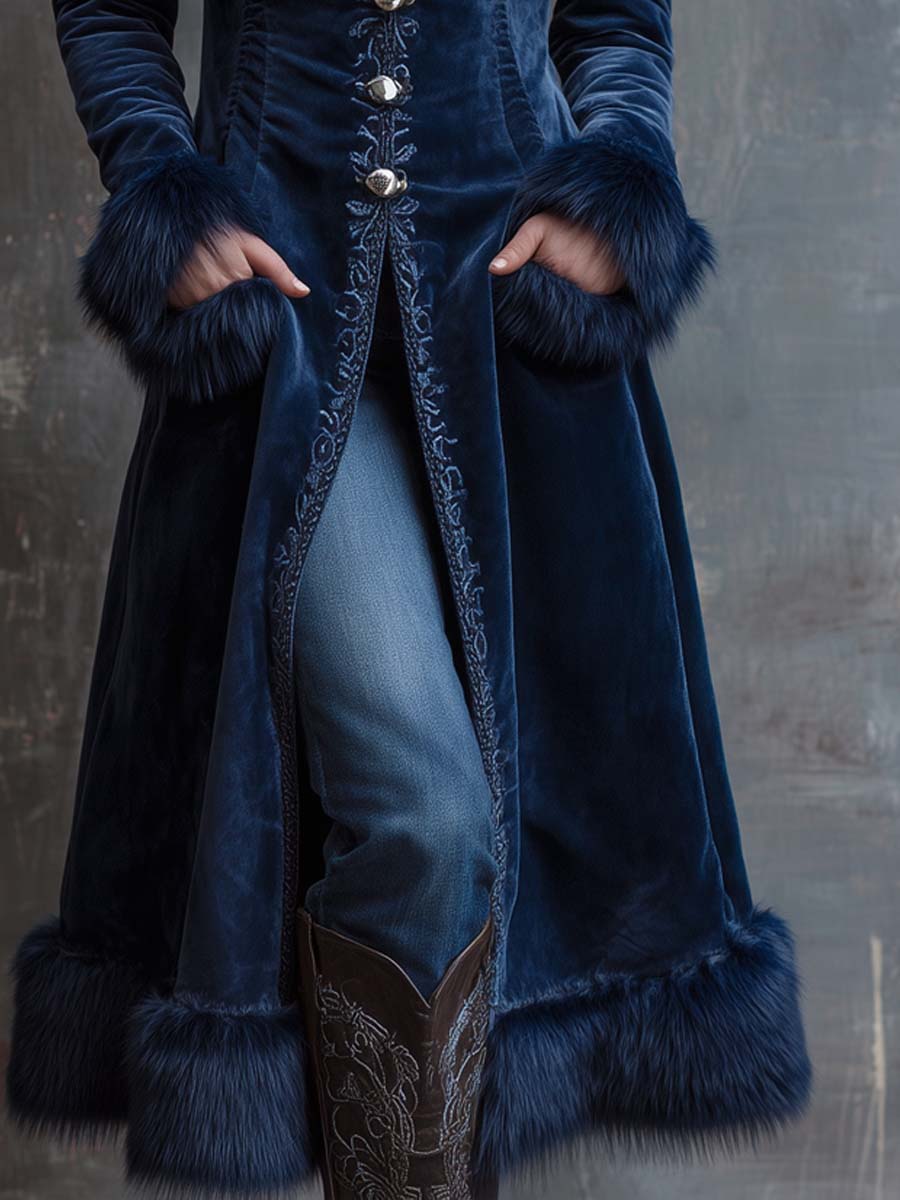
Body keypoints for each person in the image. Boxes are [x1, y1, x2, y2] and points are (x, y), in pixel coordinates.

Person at [7, 2, 811, 1198]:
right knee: (428, 813)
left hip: (520, 350)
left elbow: (618, 25)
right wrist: (160, 188)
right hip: (285, 347)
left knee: (529, 846)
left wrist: (621, 176)